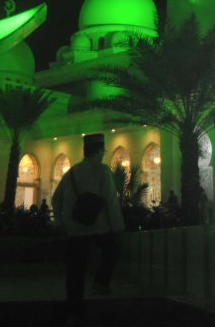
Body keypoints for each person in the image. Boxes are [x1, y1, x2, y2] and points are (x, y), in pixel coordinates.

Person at [51, 133, 124, 320]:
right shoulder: (102, 171)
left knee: (75, 270)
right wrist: (118, 226)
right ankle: (101, 282)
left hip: (75, 229)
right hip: (99, 228)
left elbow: (56, 198)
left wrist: (60, 221)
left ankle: (75, 310)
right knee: (113, 248)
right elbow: (110, 200)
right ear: (99, 151)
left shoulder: (72, 172)